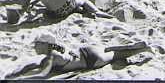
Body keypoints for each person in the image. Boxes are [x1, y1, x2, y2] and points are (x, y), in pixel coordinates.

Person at [4, 33, 150, 79]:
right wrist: (18, 72)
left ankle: (140, 50)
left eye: (36, 44)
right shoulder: (55, 48)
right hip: (87, 50)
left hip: (91, 60)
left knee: (118, 56)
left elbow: (42, 75)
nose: (34, 46)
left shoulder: (51, 57)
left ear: (44, 45)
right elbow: (36, 65)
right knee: (114, 51)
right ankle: (134, 46)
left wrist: (21, 78)